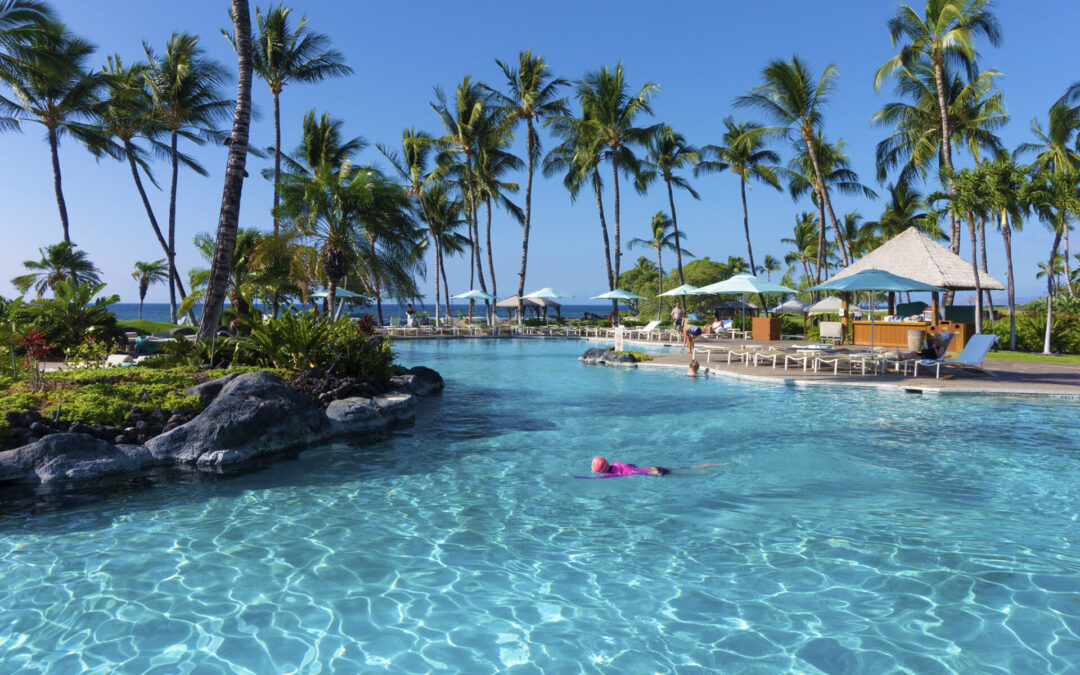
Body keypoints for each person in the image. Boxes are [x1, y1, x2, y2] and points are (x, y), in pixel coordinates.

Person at [579, 456, 727, 479]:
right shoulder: (617, 464)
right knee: (686, 467)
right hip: (650, 468)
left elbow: (594, 479)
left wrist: (576, 477)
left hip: (653, 474)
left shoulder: (610, 475)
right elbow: (633, 466)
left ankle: (715, 471)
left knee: (689, 475)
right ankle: (719, 465)